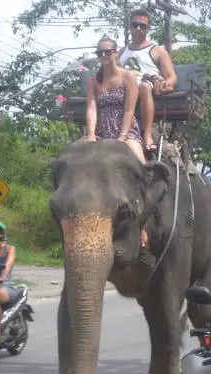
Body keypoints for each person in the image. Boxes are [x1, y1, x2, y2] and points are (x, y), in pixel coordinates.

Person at [83, 36, 149, 248]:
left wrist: (122, 136)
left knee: (141, 168)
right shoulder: (94, 80)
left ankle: (143, 224)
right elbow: (92, 108)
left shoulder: (128, 76)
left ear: (115, 52)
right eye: (100, 52)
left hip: (126, 132)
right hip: (102, 132)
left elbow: (130, 109)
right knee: (75, 159)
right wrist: (92, 134)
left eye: (107, 52)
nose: (104, 56)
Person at [118, 8, 178, 156]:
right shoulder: (120, 52)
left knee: (144, 87)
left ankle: (147, 135)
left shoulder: (157, 50)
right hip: (124, 90)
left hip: (147, 85)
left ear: (148, 28)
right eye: (135, 24)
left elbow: (172, 77)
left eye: (142, 26)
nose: (138, 28)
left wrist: (165, 84)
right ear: (129, 26)